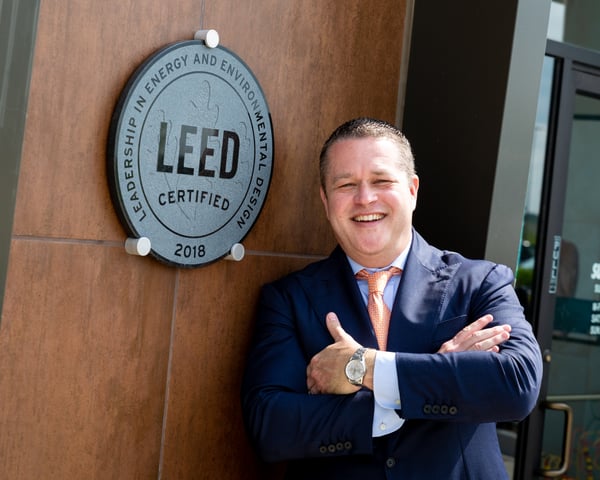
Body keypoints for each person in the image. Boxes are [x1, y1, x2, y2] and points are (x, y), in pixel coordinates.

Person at [241, 117, 542, 479]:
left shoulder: (480, 283)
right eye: (346, 184)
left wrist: (362, 368)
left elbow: (517, 384)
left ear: (412, 190)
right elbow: (271, 427)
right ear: (325, 198)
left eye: (381, 181)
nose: (365, 198)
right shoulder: (289, 299)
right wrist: (433, 377)